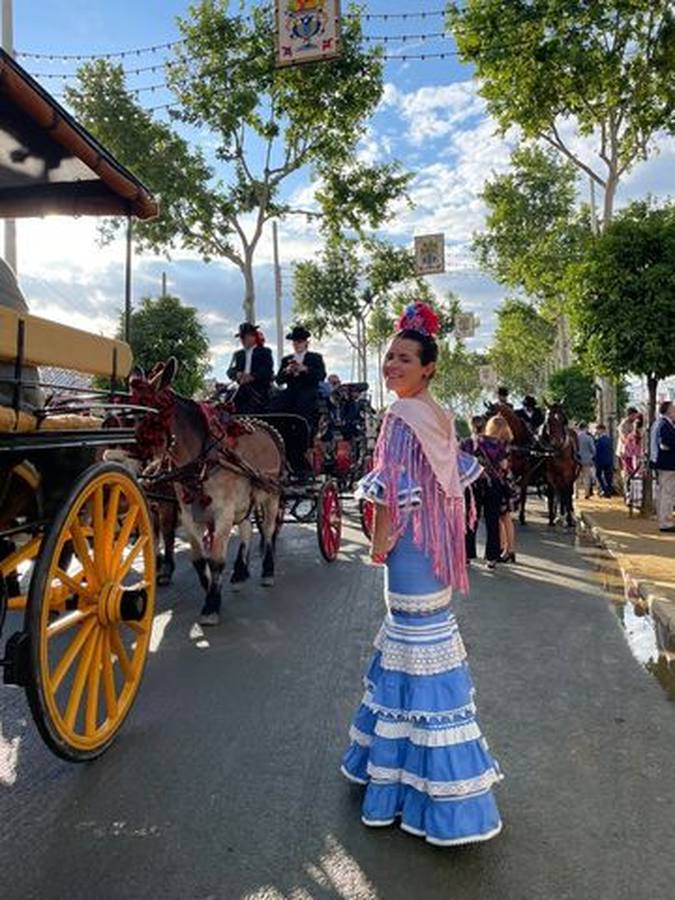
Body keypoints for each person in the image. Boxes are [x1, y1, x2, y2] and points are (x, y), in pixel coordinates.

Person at [341, 301, 502, 847]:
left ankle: (419, 789)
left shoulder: (399, 418)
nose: (391, 365)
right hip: (438, 553)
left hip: (412, 552)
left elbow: (390, 488)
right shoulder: (438, 414)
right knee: (421, 660)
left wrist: (381, 541)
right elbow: (448, 487)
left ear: (428, 365)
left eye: (403, 358)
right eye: (390, 357)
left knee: (411, 661)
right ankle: (415, 780)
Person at [271, 325, 326, 427]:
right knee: (275, 404)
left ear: (306, 343)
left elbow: (321, 375)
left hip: (308, 391)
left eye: (299, 341)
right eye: (294, 342)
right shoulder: (286, 359)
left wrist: (306, 369)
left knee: (303, 404)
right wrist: (287, 371)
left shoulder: (315, 358)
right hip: (290, 391)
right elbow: (279, 380)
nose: (296, 344)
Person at [484, 415, 516, 565]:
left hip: (498, 483)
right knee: (505, 517)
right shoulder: (506, 443)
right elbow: (505, 465)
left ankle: (505, 548)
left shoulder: (494, 444)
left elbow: (503, 465)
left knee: (499, 518)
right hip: (506, 483)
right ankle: (509, 549)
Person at [226, 323, 274, 414]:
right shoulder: (238, 354)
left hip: (258, 388)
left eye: (244, 337)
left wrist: (252, 377)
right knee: (228, 400)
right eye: (241, 338)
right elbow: (230, 371)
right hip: (241, 387)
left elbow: (267, 370)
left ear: (253, 337)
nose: (242, 340)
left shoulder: (265, 352)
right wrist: (237, 374)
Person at [461, 415, 486, 563]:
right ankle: (491, 556)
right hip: (487, 484)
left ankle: (467, 553)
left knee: (468, 517)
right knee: (485, 518)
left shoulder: (465, 443)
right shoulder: (491, 443)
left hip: (469, 484)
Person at [654, 400, 675, 532]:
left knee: (665, 492)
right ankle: (665, 522)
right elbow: (666, 443)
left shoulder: (664, 424)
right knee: (666, 493)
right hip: (668, 464)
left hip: (667, 464)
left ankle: (665, 519)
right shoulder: (664, 425)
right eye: (673, 409)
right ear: (668, 410)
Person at [575, 423, 596, 499]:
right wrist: (591, 456)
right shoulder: (589, 438)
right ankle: (586, 494)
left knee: (576, 477)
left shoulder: (576, 437)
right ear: (585, 428)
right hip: (587, 460)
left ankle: (576, 494)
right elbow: (593, 450)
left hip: (576, 459)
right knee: (587, 477)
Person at [595, 424, 614, 497]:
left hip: (600, 461)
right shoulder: (609, 439)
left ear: (601, 430)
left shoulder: (599, 440)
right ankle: (608, 490)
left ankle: (605, 489)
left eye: (598, 430)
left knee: (598, 475)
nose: (597, 431)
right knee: (608, 476)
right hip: (608, 461)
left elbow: (596, 451)